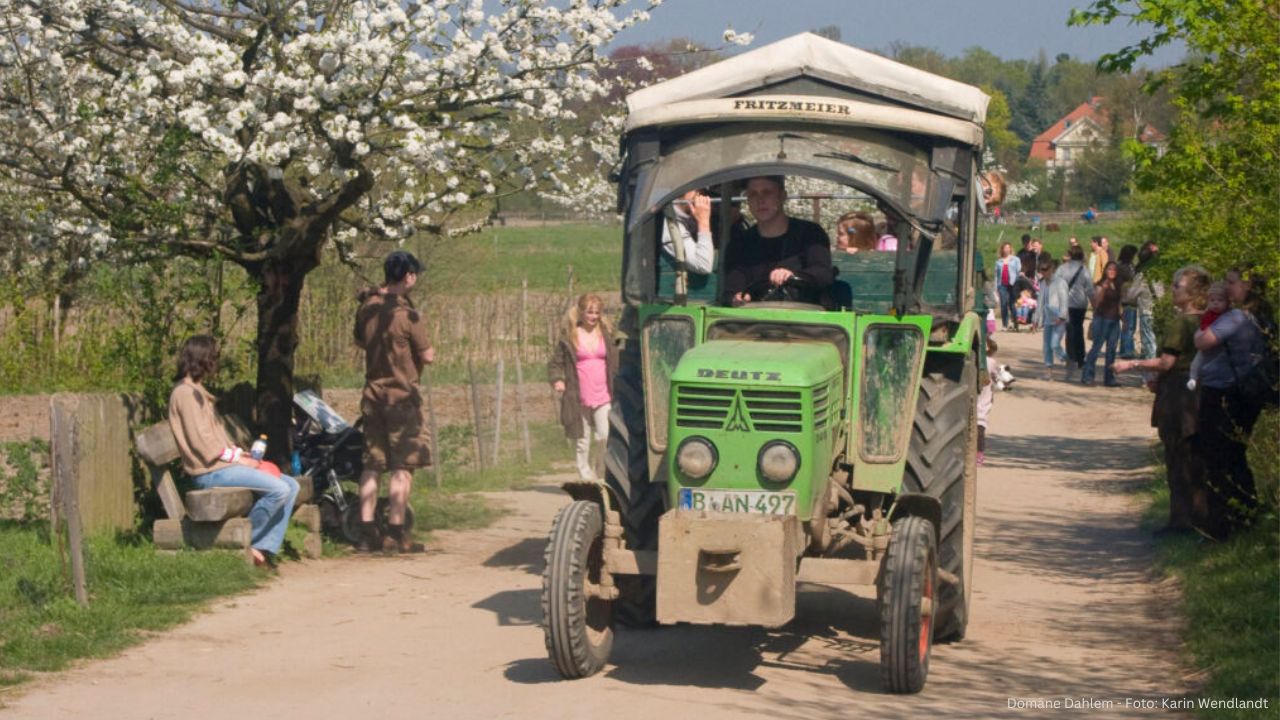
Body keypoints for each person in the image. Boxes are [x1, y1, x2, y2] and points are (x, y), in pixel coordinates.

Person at [168, 336, 300, 568]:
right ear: (201, 359)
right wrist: (236, 459)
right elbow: (201, 441)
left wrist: (240, 455)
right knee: (279, 490)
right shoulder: (185, 394)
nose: (215, 363)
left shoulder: (197, 391)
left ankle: (261, 548)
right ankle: (248, 543)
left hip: (223, 467)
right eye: (212, 357)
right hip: (209, 472)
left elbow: (217, 436)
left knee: (292, 485)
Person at [1115, 266, 1212, 536]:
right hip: (1197, 392)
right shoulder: (1205, 319)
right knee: (1194, 459)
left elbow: (1166, 361)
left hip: (1179, 397)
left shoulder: (1182, 323)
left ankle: (1181, 522)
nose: (1172, 290)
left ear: (1192, 293)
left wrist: (1131, 364)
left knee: (1178, 458)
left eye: (1177, 286)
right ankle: (1200, 518)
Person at [353, 250, 435, 553]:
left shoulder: (368, 309)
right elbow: (428, 355)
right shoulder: (407, 316)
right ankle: (396, 533)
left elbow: (361, 341)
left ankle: (365, 533)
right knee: (403, 465)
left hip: (372, 394)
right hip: (402, 397)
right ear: (409, 276)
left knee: (372, 464)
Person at [1192, 269, 1270, 535]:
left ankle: (1223, 524)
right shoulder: (1263, 316)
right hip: (1252, 393)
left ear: (1247, 285)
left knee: (1217, 456)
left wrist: (1200, 332)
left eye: (1232, 282)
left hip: (1227, 394)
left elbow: (1204, 341)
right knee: (1235, 455)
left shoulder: (1236, 317)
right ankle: (1245, 516)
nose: (1227, 287)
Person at [723, 176, 835, 306]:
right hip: (755, 320)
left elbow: (823, 273)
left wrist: (792, 275)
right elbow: (732, 287)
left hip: (806, 318)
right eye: (753, 194)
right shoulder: (740, 243)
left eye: (767, 192)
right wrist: (737, 298)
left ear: (782, 196)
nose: (760, 200)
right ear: (748, 200)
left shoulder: (811, 233)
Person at [548, 293, 618, 481]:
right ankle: (585, 474)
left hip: (603, 393)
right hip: (578, 395)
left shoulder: (607, 334)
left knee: (605, 434)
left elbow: (617, 358)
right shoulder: (570, 337)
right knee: (582, 439)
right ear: (581, 313)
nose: (594, 316)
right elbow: (556, 363)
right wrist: (557, 380)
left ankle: (599, 470)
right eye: (589, 312)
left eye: (597, 312)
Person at [1081, 261, 1124, 387]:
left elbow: (1119, 304)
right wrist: (1103, 290)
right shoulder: (1101, 284)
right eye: (1109, 269)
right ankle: (1087, 376)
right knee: (1096, 348)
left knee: (1111, 350)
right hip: (1102, 319)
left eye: (1114, 270)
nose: (1112, 271)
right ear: (1105, 270)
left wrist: (1124, 320)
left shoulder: (1117, 285)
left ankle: (1109, 378)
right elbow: (1096, 303)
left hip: (1114, 320)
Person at [1056, 246, 1092, 381]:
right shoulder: (1084, 270)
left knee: (1069, 331)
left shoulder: (1062, 269)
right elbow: (1090, 289)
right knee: (1078, 329)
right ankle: (1081, 357)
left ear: (1069, 255)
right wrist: (1094, 304)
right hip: (1081, 304)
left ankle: (1071, 357)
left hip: (1066, 304)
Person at [1186, 282, 1229, 389]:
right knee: (1198, 360)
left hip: (1221, 345)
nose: (1216, 303)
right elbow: (1203, 327)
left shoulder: (1228, 315)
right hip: (1206, 341)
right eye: (1212, 300)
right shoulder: (1208, 314)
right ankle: (1193, 377)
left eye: (1220, 300)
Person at [661, 188, 715, 274]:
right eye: (697, 189)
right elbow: (703, 265)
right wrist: (703, 222)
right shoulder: (668, 225)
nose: (702, 196)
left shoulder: (690, 216)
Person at [1037, 258, 1068, 380]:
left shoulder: (1060, 282)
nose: (1043, 272)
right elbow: (1040, 302)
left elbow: (1064, 300)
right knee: (1046, 346)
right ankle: (1048, 371)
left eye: (1045, 270)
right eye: (1041, 270)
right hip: (1047, 317)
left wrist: (1062, 316)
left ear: (1051, 269)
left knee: (1054, 344)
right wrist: (1036, 319)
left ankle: (1066, 358)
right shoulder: (1043, 283)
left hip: (1059, 318)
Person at [1131, 242, 1160, 360]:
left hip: (1147, 310)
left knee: (1149, 342)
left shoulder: (1141, 275)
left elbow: (1132, 294)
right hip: (1162, 309)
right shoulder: (1161, 271)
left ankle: (1152, 368)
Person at [976, 337, 1000, 466]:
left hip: (982, 395)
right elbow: (997, 378)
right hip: (984, 398)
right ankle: (979, 455)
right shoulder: (991, 361)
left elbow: (996, 377)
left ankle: (978, 454)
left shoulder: (989, 361)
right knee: (980, 427)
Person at [993, 242, 1021, 331]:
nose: (1006, 249)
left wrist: (1018, 283)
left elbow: (1018, 271)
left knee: (1012, 304)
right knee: (1004, 304)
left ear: (1010, 249)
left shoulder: (1015, 259)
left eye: (1008, 248)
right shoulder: (998, 262)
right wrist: (996, 287)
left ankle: (1016, 323)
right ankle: (1005, 324)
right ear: (1002, 250)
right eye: (1005, 248)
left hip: (1012, 284)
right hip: (1002, 285)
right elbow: (996, 275)